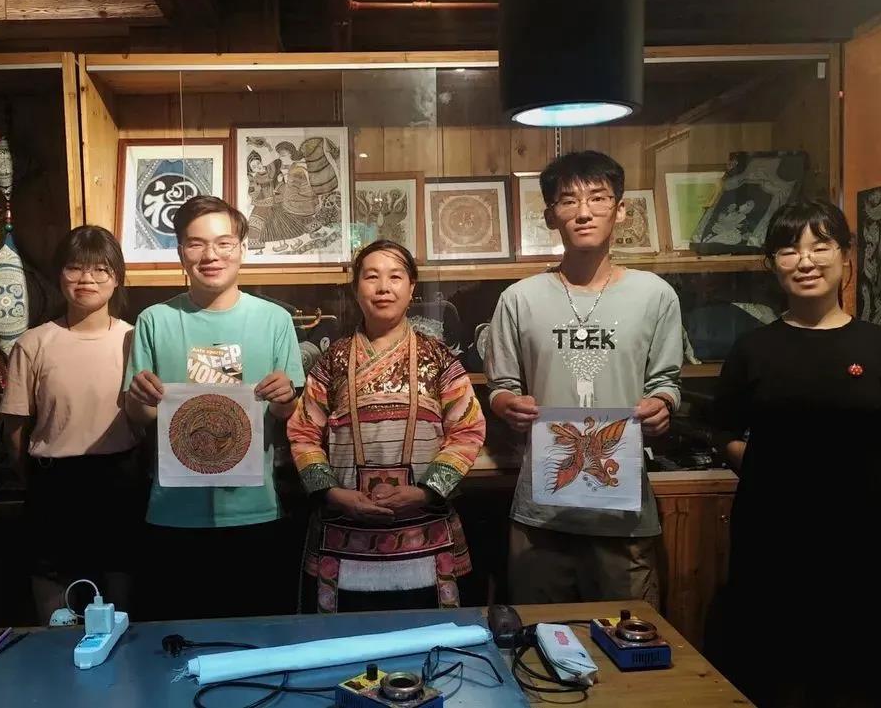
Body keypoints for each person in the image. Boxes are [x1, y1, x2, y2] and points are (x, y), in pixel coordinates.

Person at [709, 199, 881, 707]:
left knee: (857, 677)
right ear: (773, 264)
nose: (805, 261)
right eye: (789, 250)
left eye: (820, 246)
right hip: (771, 539)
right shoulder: (753, 349)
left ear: (845, 256)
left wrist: (871, 480)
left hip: (861, 542)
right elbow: (723, 430)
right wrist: (771, 474)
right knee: (772, 673)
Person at [486, 151, 682, 607]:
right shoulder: (519, 298)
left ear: (621, 209)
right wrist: (506, 405)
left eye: (598, 197)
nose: (584, 211)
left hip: (623, 510)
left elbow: (666, 382)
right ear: (550, 215)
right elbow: (500, 386)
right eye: (568, 200)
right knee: (539, 634)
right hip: (542, 512)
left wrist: (662, 406)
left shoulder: (655, 295)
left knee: (628, 633)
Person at [124, 195, 304, 620]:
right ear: (180, 252)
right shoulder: (154, 320)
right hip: (173, 512)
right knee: (175, 639)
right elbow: (140, 418)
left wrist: (285, 400)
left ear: (242, 248)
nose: (211, 255)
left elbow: (289, 417)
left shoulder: (274, 320)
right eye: (196, 243)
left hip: (254, 509)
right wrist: (140, 399)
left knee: (257, 636)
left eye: (224, 243)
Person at [287, 240, 485, 613]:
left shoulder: (439, 358)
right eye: (371, 277)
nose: (383, 288)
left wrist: (426, 491)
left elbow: (467, 430)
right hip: (344, 531)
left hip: (424, 532)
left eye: (395, 277)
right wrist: (333, 494)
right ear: (355, 288)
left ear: (411, 288)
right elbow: (303, 433)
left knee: (430, 641)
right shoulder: (331, 361)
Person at [0, 225, 142, 624]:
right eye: (75, 268)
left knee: (119, 588)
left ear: (117, 278)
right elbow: (15, 428)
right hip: (54, 481)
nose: (86, 279)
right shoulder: (33, 343)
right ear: (59, 274)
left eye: (100, 270)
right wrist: (32, 477)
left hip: (120, 477)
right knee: (52, 591)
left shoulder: (135, 339)